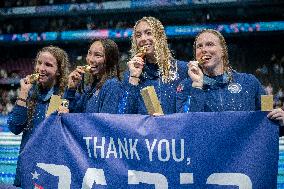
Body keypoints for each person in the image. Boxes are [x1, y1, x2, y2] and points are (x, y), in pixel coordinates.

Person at [176, 29, 284, 126]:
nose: (203, 49)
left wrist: (281, 122)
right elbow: (184, 127)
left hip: (244, 148)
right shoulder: (185, 86)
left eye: (210, 44)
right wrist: (197, 86)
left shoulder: (252, 82)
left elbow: (269, 120)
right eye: (199, 46)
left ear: (223, 51)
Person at [7, 46, 70, 187]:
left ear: (59, 71)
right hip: (28, 165)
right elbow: (14, 127)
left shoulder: (64, 95)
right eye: (39, 63)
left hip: (51, 167)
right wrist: (23, 93)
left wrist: (68, 117)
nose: (41, 68)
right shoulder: (29, 92)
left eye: (48, 65)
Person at [118, 16, 187, 115]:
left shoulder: (182, 69)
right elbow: (124, 115)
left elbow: (188, 114)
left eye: (149, 33)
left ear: (160, 36)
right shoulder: (130, 74)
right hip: (143, 130)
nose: (143, 39)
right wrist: (133, 78)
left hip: (173, 129)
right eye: (138, 35)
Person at [64, 39, 122, 113]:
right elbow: (70, 115)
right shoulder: (90, 87)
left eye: (97, 55)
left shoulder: (112, 85)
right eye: (89, 53)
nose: (90, 59)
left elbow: (105, 121)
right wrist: (71, 89)